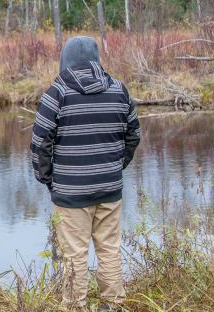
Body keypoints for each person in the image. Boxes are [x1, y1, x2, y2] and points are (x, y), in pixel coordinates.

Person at [30, 36, 141, 311]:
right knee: (110, 250)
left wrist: (48, 179)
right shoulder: (119, 89)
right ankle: (112, 305)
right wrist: (115, 167)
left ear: (65, 59)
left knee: (74, 256)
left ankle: (75, 307)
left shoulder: (58, 91)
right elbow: (133, 135)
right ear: (96, 58)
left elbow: (39, 141)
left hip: (70, 193)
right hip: (109, 189)